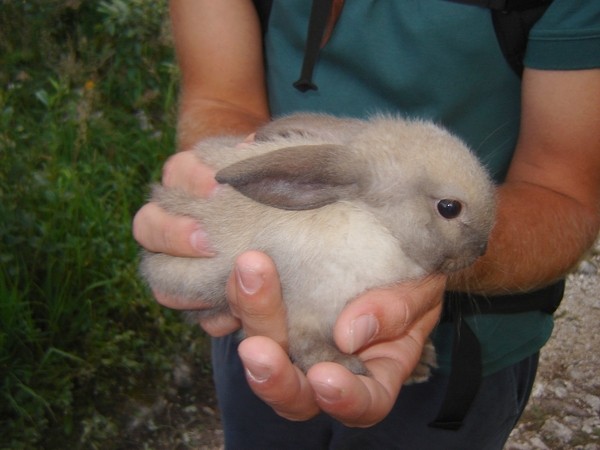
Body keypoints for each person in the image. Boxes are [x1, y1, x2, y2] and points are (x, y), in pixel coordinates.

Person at [133, 0, 600, 448]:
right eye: (451, 213)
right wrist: (215, 182)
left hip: (469, 353)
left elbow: (566, 193)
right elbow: (219, 96)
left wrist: (425, 273)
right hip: (257, 330)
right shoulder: (337, 179)